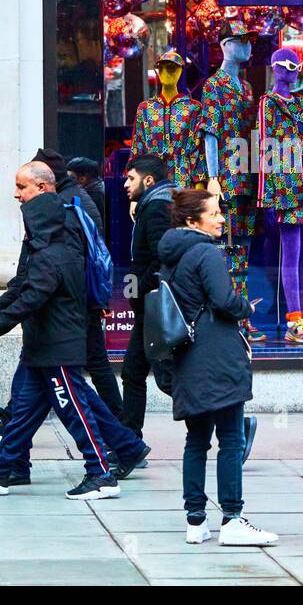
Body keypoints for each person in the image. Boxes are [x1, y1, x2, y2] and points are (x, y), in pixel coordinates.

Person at [0, 162, 149, 500]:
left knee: (75, 409)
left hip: (58, 344)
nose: (17, 196)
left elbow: (34, 293)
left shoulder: (54, 250)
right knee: (24, 408)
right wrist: (1, 307)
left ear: (42, 196)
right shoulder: (50, 243)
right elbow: (25, 282)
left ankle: (101, 473)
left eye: (22, 190)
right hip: (45, 344)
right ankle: (3, 468)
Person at [0, 147, 122, 441]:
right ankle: (11, 455)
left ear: (44, 184)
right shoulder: (60, 206)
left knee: (77, 387)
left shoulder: (60, 211)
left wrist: (0, 318)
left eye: (21, 186)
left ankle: (111, 453)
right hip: (64, 311)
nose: (16, 194)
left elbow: (44, 275)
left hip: (64, 313)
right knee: (54, 385)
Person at [157, 189, 277, 546]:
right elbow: (225, 300)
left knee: (196, 440)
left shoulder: (170, 254)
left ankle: (196, 521)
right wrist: (247, 308)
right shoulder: (204, 252)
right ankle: (232, 519)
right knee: (230, 438)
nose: (222, 218)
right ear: (193, 221)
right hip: (216, 352)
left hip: (188, 355)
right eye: (214, 213)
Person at [120, 153, 175, 436]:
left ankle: (232, 423)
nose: (126, 184)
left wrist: (136, 289)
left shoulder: (155, 207)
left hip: (154, 307)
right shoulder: (152, 203)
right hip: (148, 307)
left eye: (131, 178)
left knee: (167, 377)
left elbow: (159, 257)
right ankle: (130, 440)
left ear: (148, 180)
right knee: (132, 371)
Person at [65, 156, 105, 221]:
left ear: (82, 179)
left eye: (71, 177)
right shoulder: (100, 188)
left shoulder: (94, 197)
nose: (68, 180)